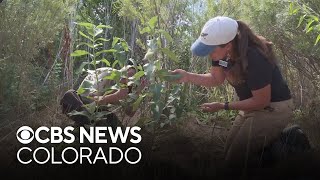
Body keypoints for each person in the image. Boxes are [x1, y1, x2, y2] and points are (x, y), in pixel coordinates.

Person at [172, 16, 293, 171]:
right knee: (229, 151)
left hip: (274, 108)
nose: (210, 55)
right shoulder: (221, 55)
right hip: (250, 107)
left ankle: (291, 144)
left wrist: (223, 106)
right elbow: (216, 79)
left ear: (228, 45)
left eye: (211, 50)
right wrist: (187, 76)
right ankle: (274, 149)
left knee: (233, 161)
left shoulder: (254, 56)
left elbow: (262, 101)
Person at [60, 61, 146, 126]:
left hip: (99, 113)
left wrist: (138, 92)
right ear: (123, 69)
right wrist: (115, 96)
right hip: (82, 105)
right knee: (69, 94)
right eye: (127, 74)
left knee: (112, 120)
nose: (128, 79)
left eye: (133, 78)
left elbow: (130, 112)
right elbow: (90, 99)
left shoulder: (128, 88)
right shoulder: (106, 73)